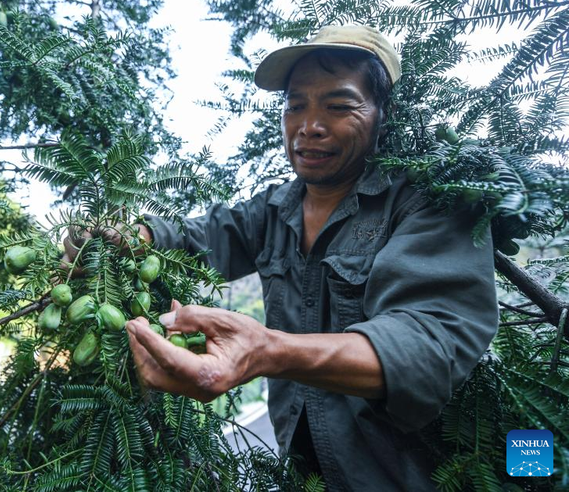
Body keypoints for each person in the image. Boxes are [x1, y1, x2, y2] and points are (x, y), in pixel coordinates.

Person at [66, 25, 499, 491]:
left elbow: (427, 345)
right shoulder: (275, 209)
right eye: (295, 105)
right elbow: (203, 235)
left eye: (338, 105)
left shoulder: (431, 203)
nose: (308, 125)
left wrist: (268, 351)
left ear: (382, 114)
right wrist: (133, 235)